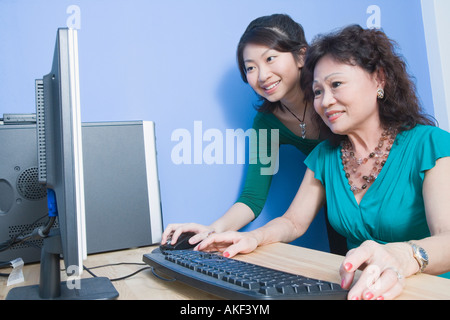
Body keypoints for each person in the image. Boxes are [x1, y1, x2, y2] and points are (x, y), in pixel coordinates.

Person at [197, 25, 450, 300]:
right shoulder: (324, 155)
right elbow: (292, 222)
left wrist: (404, 255)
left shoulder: (429, 144)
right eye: (317, 92)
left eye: (336, 84)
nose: (326, 101)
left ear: (379, 79)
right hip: (359, 291)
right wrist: (252, 238)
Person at [162, 14, 341, 249]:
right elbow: (252, 198)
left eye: (270, 58)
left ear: (301, 56)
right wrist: (212, 230)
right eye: (251, 68)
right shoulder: (267, 123)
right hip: (340, 212)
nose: (263, 75)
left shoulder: (335, 101)